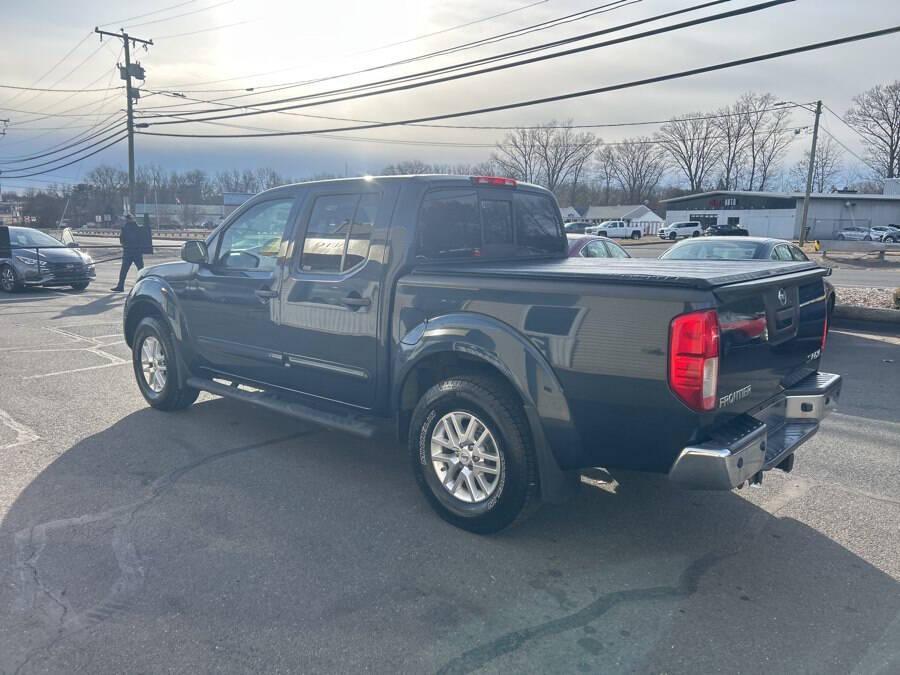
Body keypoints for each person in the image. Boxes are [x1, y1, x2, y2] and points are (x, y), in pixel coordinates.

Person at [111, 213, 153, 292]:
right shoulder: (139, 228)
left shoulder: (125, 228)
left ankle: (120, 286)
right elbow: (146, 233)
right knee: (141, 270)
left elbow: (122, 240)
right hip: (137, 252)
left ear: (127, 220)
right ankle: (144, 285)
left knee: (124, 270)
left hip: (128, 253)